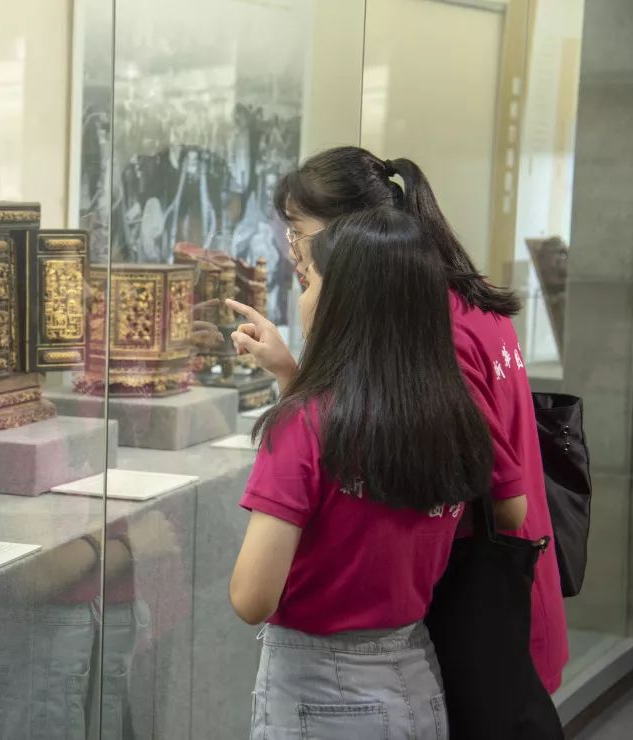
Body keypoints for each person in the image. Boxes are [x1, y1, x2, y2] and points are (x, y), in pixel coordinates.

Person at [227, 146, 568, 696]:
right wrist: (293, 377)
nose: (294, 255)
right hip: (470, 614)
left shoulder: (435, 331)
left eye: (300, 236)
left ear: (354, 241)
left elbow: (486, 494)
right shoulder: (460, 296)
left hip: (469, 613)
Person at [230, 207, 496, 738]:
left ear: (343, 303)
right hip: (417, 680)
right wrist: (289, 374)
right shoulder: (457, 415)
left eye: (309, 282)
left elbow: (252, 597)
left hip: (321, 694)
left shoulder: (303, 425)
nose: (303, 297)